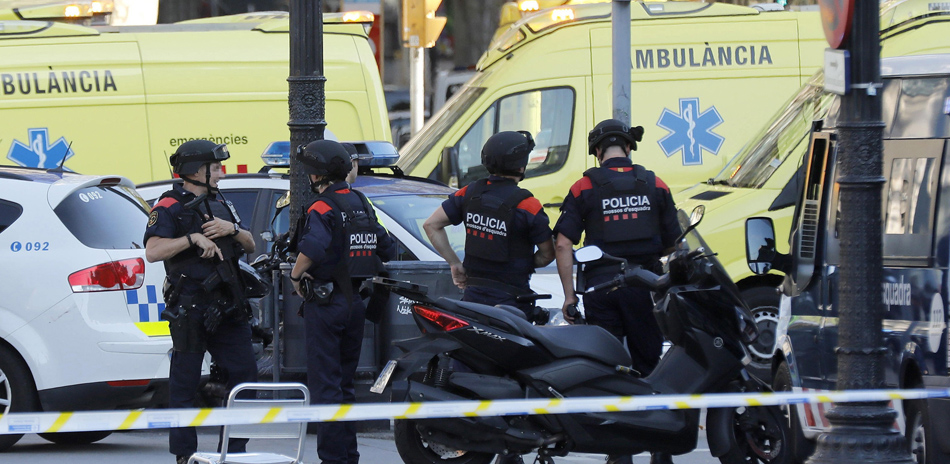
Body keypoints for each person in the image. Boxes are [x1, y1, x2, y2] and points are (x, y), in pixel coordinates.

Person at [553, 119, 681, 464]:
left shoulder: (583, 187)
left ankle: (617, 452)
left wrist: (569, 296)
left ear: (597, 151)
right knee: (650, 366)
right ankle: (661, 449)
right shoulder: (656, 183)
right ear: (628, 148)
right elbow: (675, 242)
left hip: (602, 288)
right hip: (646, 288)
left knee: (608, 370)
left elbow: (563, 243)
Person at [144, 140, 258, 464]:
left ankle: (234, 451)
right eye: (216, 168)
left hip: (227, 306)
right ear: (197, 171)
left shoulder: (220, 201)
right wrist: (192, 238)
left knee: (245, 377)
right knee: (185, 385)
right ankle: (185, 454)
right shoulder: (168, 205)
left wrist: (231, 229)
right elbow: (153, 251)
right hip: (191, 307)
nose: (221, 173)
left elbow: (250, 242)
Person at [290, 139, 395, 464]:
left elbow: (315, 247)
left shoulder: (322, 206)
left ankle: (333, 459)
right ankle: (348, 456)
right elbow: (386, 247)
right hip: (356, 304)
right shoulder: (360, 202)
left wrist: (296, 276)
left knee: (326, 387)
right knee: (345, 385)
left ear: (316, 175)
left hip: (327, 304)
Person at [423, 131, 555, 326]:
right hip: (511, 307)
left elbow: (431, 225)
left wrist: (454, 263)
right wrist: (521, 264)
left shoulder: (469, 193)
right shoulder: (528, 205)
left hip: (472, 301)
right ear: (521, 164)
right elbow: (547, 255)